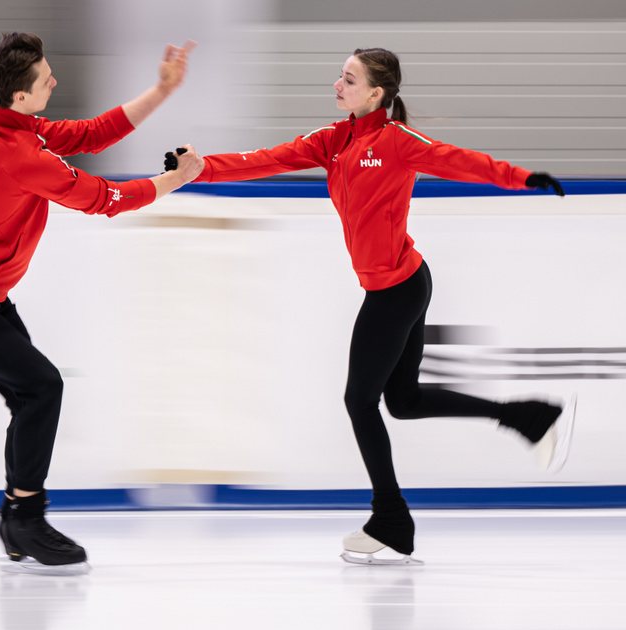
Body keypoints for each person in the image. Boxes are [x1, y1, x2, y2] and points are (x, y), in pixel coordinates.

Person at [166, 48, 574, 566]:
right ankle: (525, 416)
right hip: (393, 286)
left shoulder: (398, 142)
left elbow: (457, 160)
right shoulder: (332, 140)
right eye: (340, 75)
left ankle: (390, 518)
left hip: (399, 289)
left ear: (376, 93)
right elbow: (267, 159)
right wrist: (200, 169)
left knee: (360, 402)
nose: (337, 84)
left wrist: (521, 178)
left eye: (349, 78)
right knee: (400, 401)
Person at [0, 32, 204, 575]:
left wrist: (161, 91)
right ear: (20, 95)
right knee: (42, 388)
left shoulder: (4, 124)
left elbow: (91, 133)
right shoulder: (17, 154)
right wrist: (176, 179)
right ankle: (26, 516)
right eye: (46, 76)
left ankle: (16, 515)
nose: (54, 80)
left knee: (32, 394)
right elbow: (105, 199)